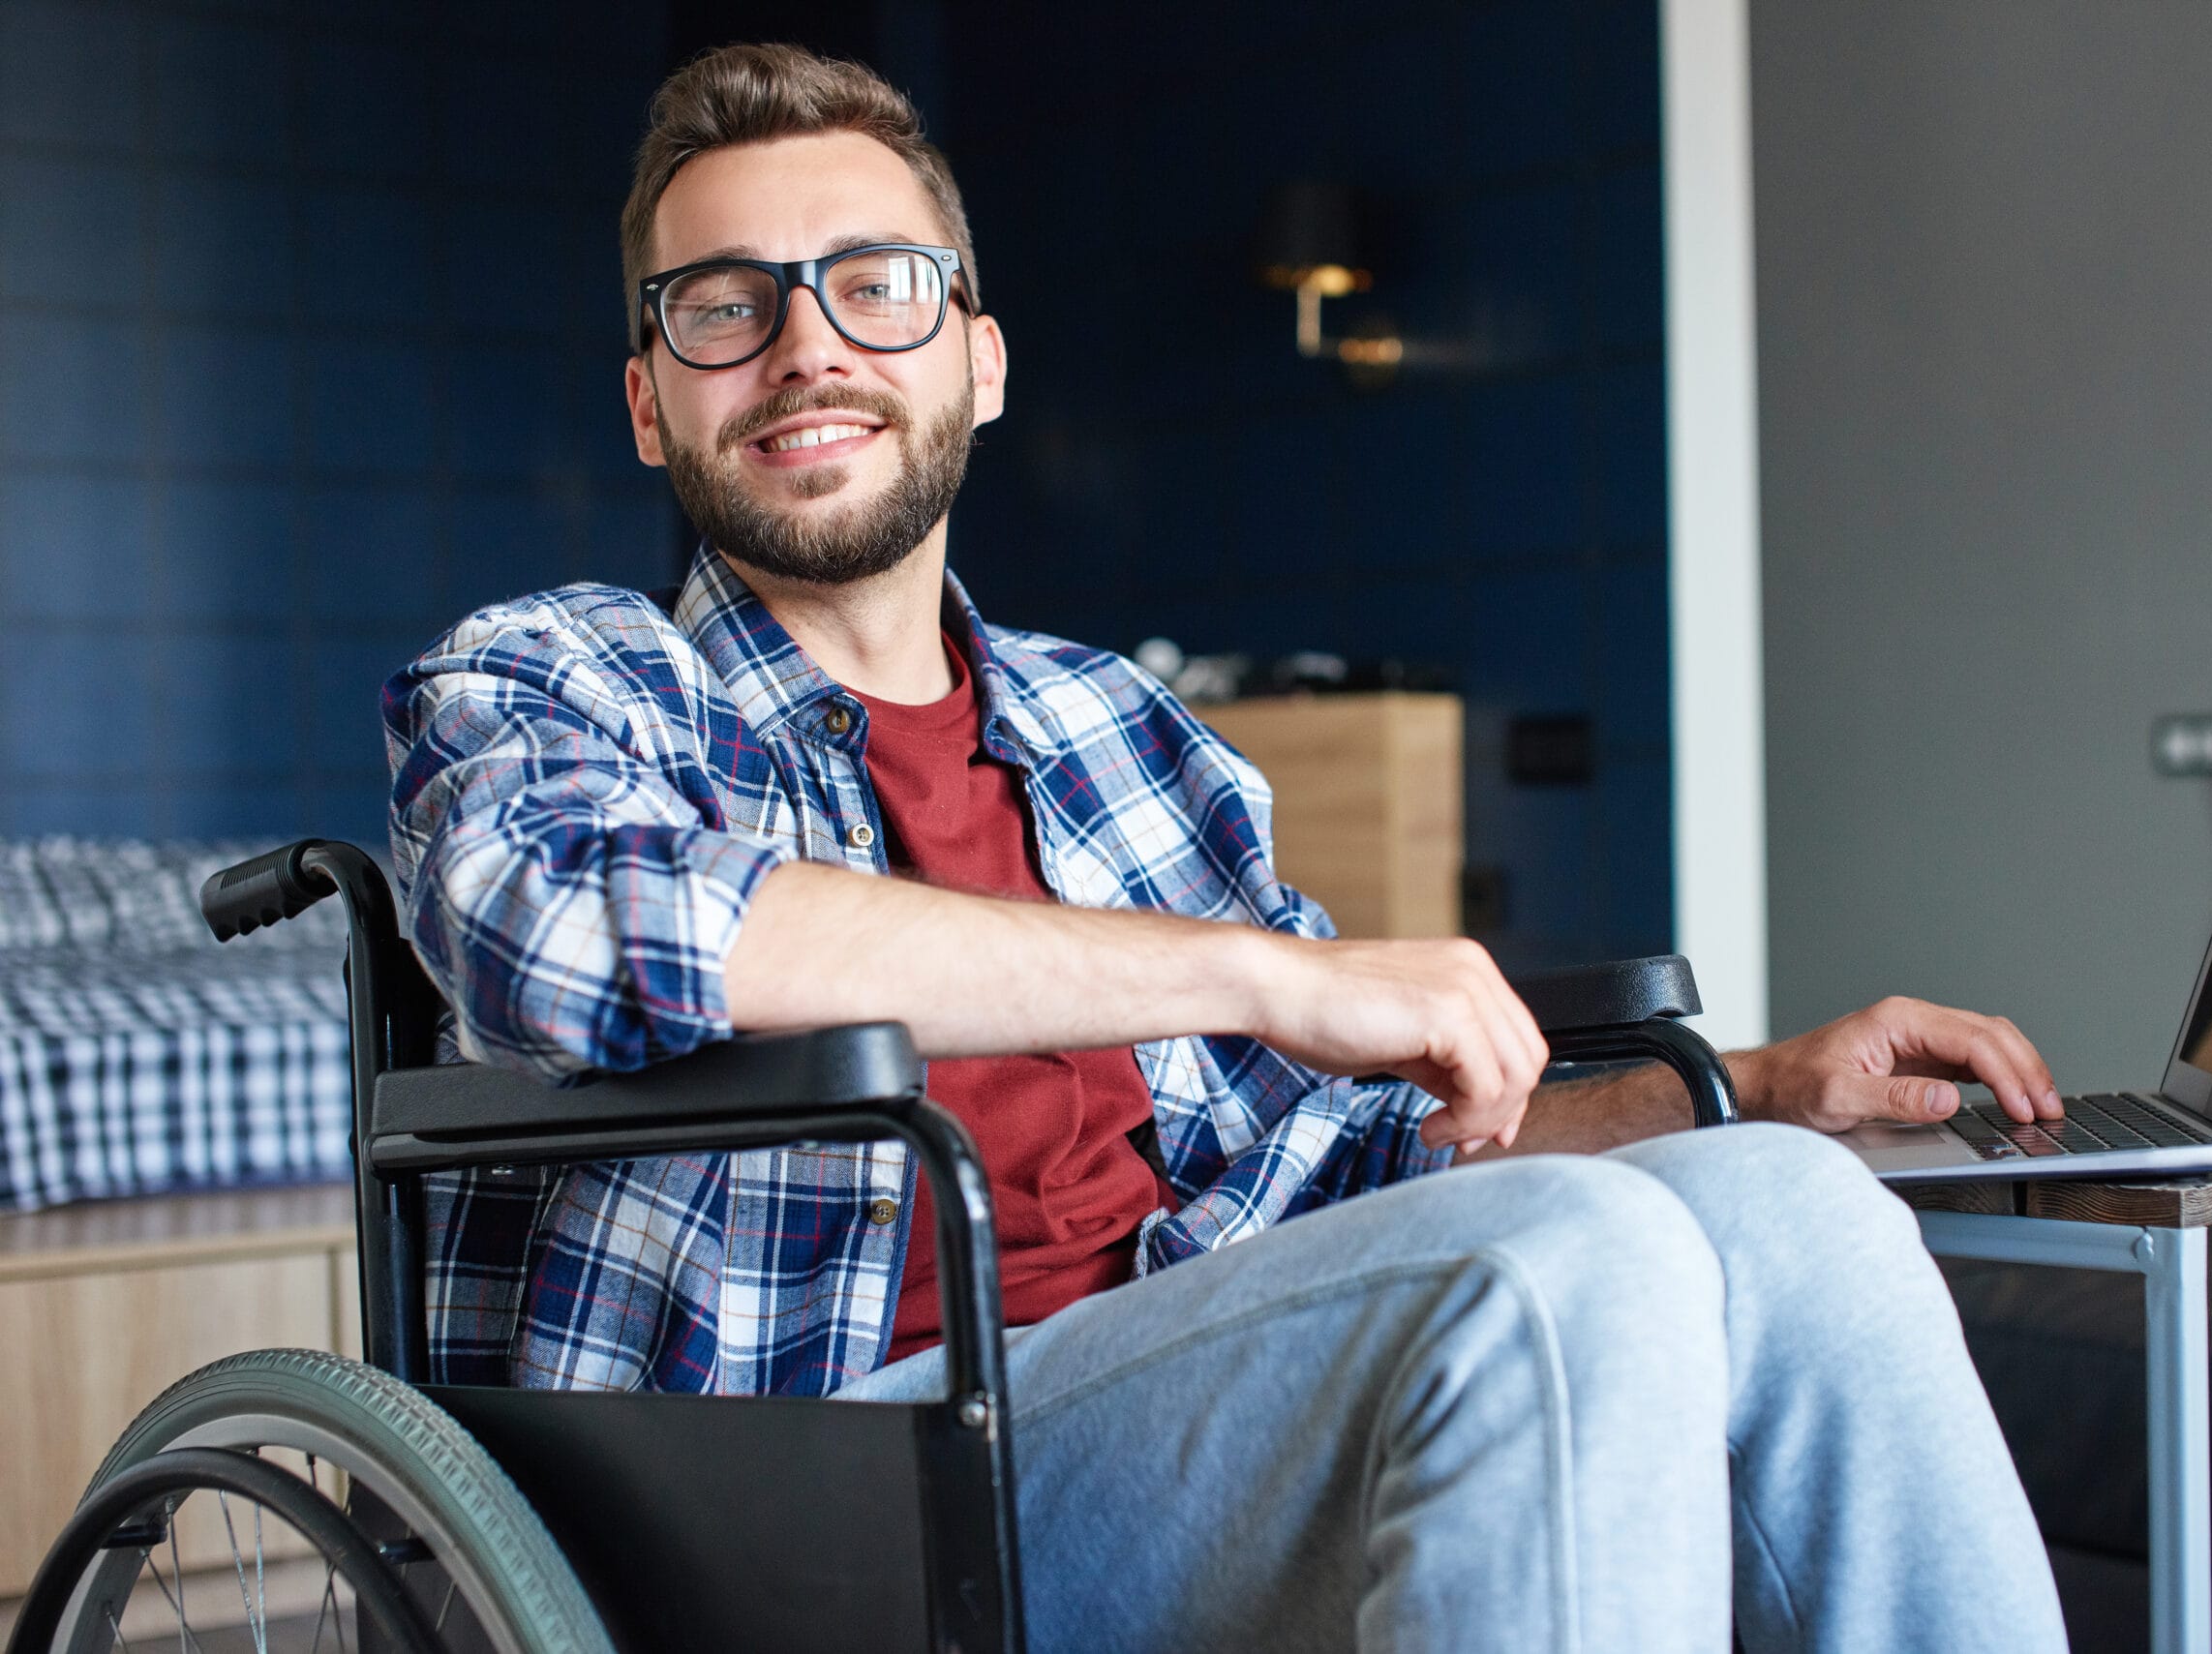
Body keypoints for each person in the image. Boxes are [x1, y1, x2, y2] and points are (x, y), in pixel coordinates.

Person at [383, 43, 2069, 1653]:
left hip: (1183, 1399)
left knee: (1794, 1207)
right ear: (648, 407)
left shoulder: (1121, 729)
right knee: (1572, 1267)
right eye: (725, 307)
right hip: (802, 1479)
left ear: (977, 356)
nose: (807, 346)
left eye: (876, 282)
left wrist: (1762, 1087)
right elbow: (567, 934)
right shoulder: (562, 674)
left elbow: (1364, 1162)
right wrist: (1262, 972)